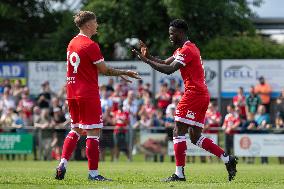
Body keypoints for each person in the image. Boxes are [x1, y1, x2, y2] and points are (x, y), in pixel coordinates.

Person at [132, 19, 238, 182]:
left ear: (181, 33)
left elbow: (168, 70)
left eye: (172, 33)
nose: (170, 36)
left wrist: (145, 61)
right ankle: (227, 158)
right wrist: (149, 56)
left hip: (194, 94)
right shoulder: (183, 50)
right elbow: (165, 62)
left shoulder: (188, 50)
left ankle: (179, 174)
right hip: (201, 94)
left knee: (178, 131)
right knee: (195, 137)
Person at [55, 10, 141, 181]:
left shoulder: (72, 42)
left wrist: (117, 74)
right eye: (95, 22)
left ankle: (62, 164)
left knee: (76, 129)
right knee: (93, 132)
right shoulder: (90, 45)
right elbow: (105, 70)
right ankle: (93, 174)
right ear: (88, 24)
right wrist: (124, 72)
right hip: (87, 93)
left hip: (72, 92)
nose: (97, 25)